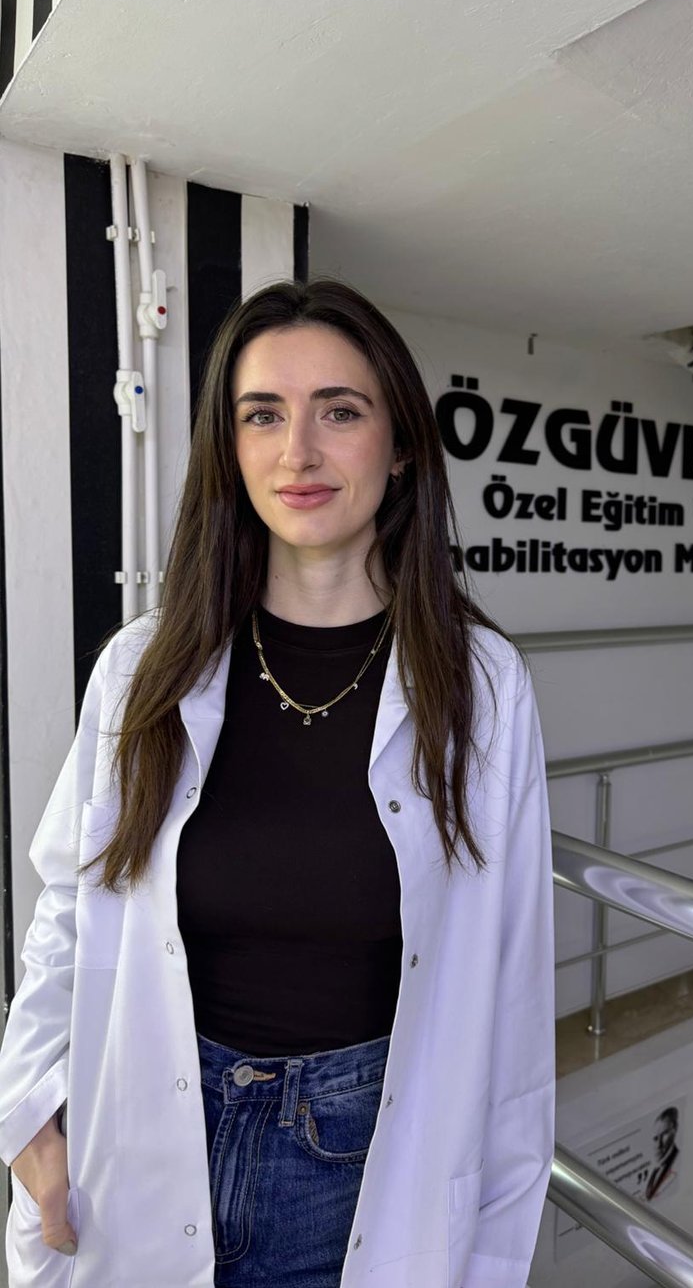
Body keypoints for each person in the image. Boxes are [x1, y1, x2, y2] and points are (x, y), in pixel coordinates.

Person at [0, 278, 556, 1288]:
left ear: (400, 446)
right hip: (136, 1144)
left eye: (338, 411)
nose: (297, 450)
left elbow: (511, 987)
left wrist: (490, 1247)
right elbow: (68, 906)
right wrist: (28, 1111)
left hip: (356, 1173)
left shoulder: (483, 687)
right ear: (230, 446)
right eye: (263, 414)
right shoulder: (141, 668)